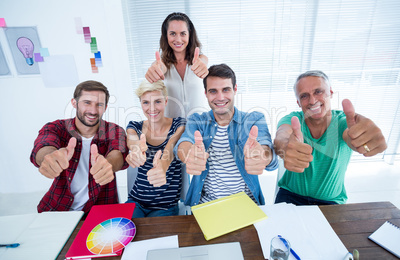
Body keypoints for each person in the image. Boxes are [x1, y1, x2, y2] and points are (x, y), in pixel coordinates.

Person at [274, 70, 387, 205]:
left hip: (330, 201)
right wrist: (284, 146)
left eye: (318, 92)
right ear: (298, 102)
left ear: (331, 93)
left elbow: (350, 135)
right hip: (290, 195)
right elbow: (282, 135)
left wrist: (363, 140)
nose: (312, 100)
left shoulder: (343, 122)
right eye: (304, 96)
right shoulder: (293, 119)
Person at [174, 64, 278, 206]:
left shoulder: (254, 119)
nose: (220, 97)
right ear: (205, 93)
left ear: (235, 89)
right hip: (207, 204)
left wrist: (262, 156)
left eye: (226, 89)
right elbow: (184, 143)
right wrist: (189, 155)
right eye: (213, 91)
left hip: (246, 204)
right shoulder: (197, 120)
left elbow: (267, 150)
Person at [30, 80, 128, 213]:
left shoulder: (114, 130)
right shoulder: (56, 127)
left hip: (102, 207)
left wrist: (108, 164)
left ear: (105, 108)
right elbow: (44, 144)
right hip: (58, 207)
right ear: (74, 103)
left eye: (99, 105)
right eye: (87, 103)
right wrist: (49, 157)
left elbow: (118, 153)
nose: (93, 111)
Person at [125, 80, 186, 217]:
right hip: (136, 201)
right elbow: (132, 139)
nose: (152, 108)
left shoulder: (179, 124)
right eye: (146, 102)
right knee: (121, 234)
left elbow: (171, 147)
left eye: (157, 101)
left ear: (165, 101)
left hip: (165, 207)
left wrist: (163, 165)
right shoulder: (134, 125)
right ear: (140, 103)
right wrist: (136, 150)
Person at [145, 12, 209, 118]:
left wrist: (202, 66)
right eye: (173, 33)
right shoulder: (162, 63)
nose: (178, 39)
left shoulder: (200, 60)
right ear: (166, 36)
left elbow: (203, 63)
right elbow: (160, 67)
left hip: (200, 127)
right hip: (173, 128)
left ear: (189, 34)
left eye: (183, 33)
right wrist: (156, 70)